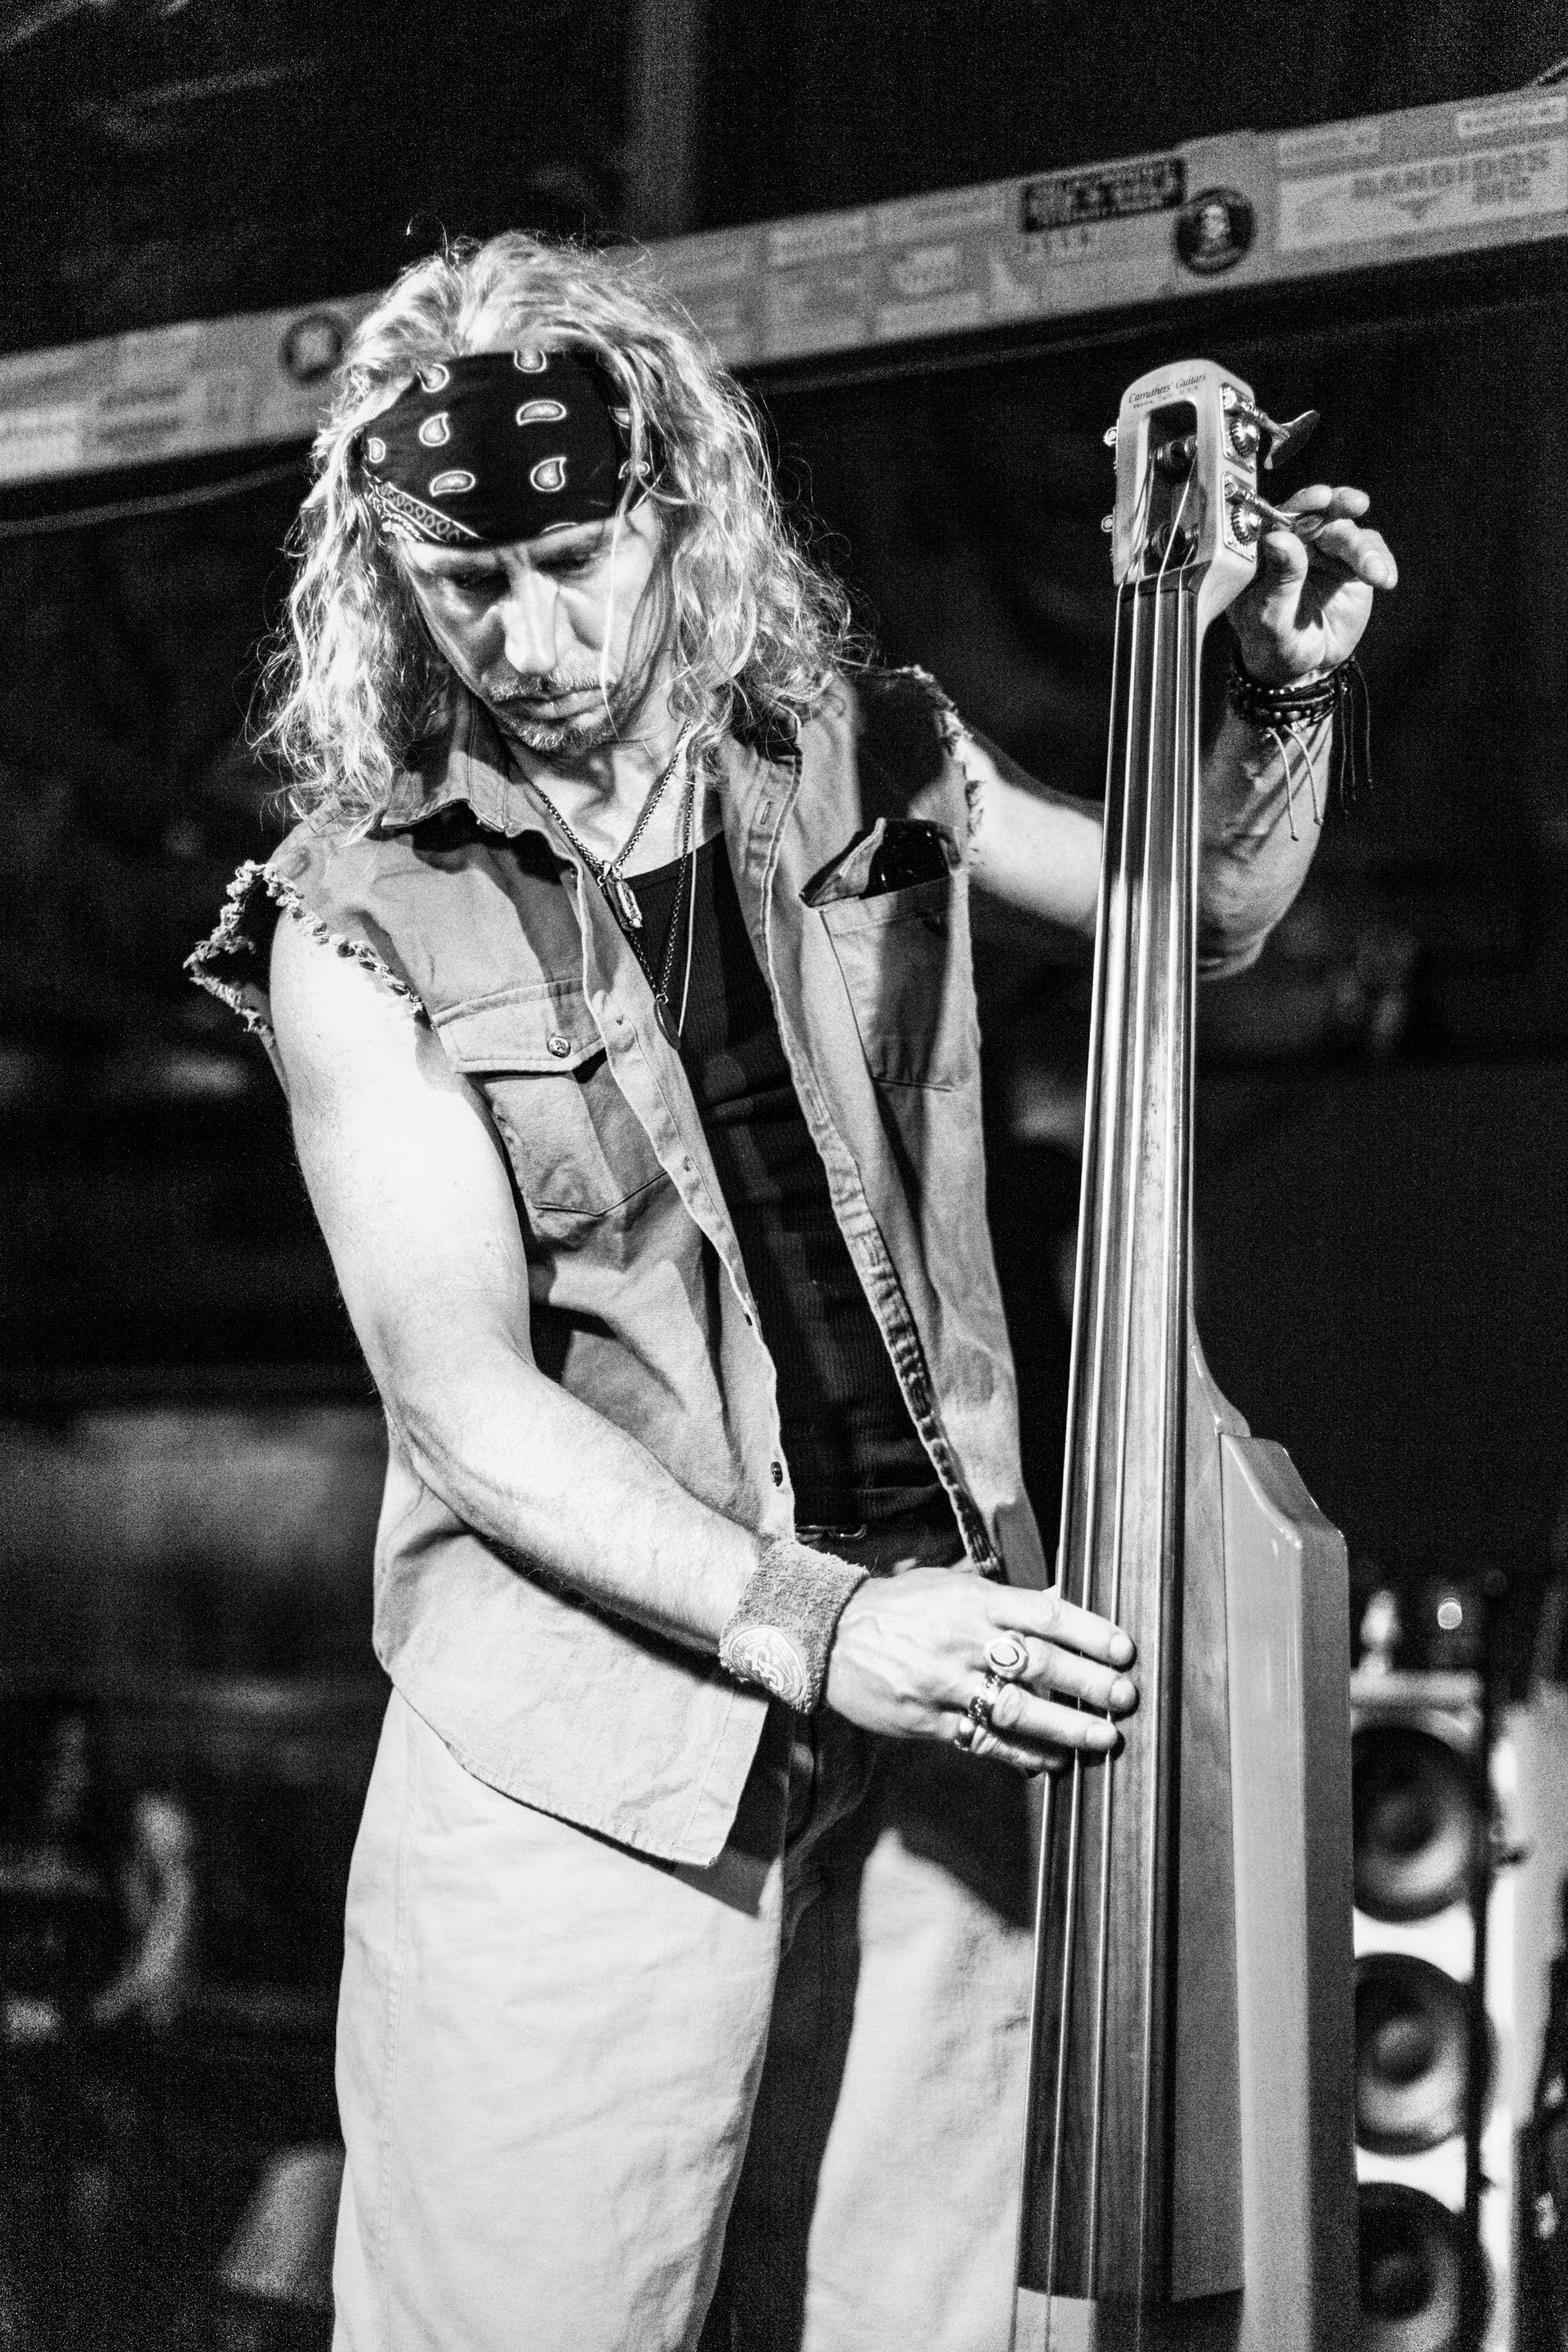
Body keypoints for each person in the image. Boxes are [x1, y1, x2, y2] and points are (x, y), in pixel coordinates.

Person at [189, 230, 1396, 2352]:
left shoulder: (870, 755)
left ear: (675, 513)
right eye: (465, 584)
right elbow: (463, 1404)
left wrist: (1271, 697)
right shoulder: (353, 922)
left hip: (951, 1718)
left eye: (574, 560)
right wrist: (824, 1625)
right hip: (593, 1766)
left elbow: (1183, 922)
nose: (533, 639)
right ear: (390, 577)